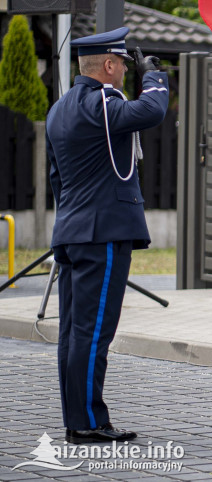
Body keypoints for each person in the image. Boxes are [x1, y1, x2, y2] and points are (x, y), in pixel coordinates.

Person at [47, 27, 168, 443]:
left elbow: (56, 179)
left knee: (74, 332)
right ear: (110, 65)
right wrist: (154, 77)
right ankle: (86, 424)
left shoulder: (61, 107)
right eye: (126, 65)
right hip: (103, 234)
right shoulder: (100, 102)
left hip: (74, 230)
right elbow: (151, 111)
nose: (127, 71)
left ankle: (78, 417)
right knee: (93, 331)